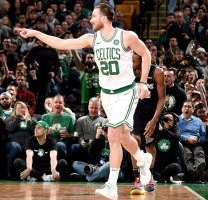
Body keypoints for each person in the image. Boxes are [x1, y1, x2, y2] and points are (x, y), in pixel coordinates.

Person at [16, 3, 152, 199]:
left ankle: (111, 186)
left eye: (94, 16)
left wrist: (143, 82)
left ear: (104, 18)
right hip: (107, 94)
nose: (90, 19)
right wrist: (35, 33)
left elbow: (146, 53)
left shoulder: (126, 36)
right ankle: (142, 159)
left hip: (126, 92)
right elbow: (61, 43)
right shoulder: (92, 39)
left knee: (113, 134)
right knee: (122, 136)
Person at [130, 53, 165, 194]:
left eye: (134, 60)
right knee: (134, 143)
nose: (131, 62)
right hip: (135, 113)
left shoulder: (157, 72)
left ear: (143, 59)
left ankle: (149, 177)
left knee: (150, 145)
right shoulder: (128, 70)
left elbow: (162, 99)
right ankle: (137, 180)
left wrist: (154, 120)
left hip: (151, 114)